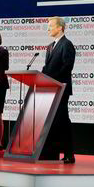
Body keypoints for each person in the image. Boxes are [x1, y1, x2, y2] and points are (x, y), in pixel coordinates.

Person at [41, 16, 76, 164]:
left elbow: (67, 66)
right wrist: (42, 78)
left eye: (50, 26)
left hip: (61, 89)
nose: (48, 29)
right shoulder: (50, 46)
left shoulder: (67, 44)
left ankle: (69, 154)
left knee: (62, 121)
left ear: (60, 28)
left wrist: (52, 80)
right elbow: (46, 68)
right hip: (50, 89)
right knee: (54, 122)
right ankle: (51, 152)